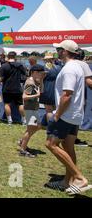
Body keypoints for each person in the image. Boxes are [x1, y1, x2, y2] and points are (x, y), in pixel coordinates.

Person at [45, 40, 90, 195]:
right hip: (75, 114)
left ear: (64, 51)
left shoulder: (69, 69)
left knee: (51, 144)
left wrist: (57, 115)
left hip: (66, 114)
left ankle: (78, 178)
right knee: (69, 147)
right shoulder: (77, 67)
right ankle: (67, 181)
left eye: (59, 49)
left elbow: (67, 95)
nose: (57, 51)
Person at [18, 64, 45, 157]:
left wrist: (41, 80)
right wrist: (36, 96)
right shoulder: (30, 83)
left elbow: (41, 91)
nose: (42, 75)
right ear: (34, 73)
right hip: (29, 108)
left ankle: (22, 142)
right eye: (40, 73)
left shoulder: (35, 81)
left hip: (33, 108)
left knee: (38, 126)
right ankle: (22, 149)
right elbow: (24, 97)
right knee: (30, 130)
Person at [0, 51, 27, 125]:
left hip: (7, 88)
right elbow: (25, 75)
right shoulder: (20, 65)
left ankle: (9, 121)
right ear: (15, 57)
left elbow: (0, 78)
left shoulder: (4, 66)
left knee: (7, 104)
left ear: (8, 56)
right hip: (17, 88)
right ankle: (24, 121)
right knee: (20, 104)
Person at [73, 49, 92, 147]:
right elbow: (89, 82)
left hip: (67, 94)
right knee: (77, 117)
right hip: (79, 96)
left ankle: (70, 138)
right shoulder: (83, 64)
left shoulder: (68, 63)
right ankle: (73, 139)